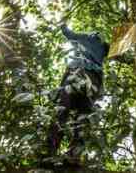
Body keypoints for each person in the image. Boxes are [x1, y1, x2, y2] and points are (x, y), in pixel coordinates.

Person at [46, 22, 109, 166]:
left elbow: (68, 33)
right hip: (91, 79)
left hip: (77, 74)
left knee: (63, 111)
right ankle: (73, 155)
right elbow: (117, 51)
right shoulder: (104, 45)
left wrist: (63, 25)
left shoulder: (83, 37)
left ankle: (51, 151)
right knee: (82, 116)